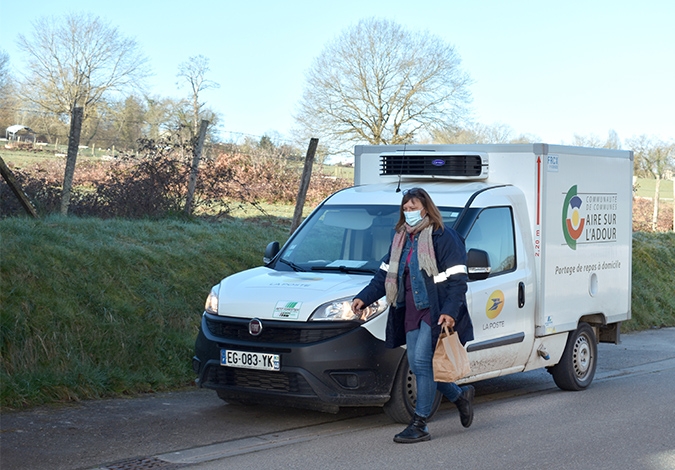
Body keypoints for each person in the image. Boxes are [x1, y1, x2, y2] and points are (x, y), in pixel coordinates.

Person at [352, 187, 475, 443]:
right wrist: (363, 297)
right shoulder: (400, 239)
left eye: (414, 208)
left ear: (426, 208)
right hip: (408, 310)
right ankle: (459, 396)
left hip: (435, 310)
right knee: (423, 366)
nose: (409, 213)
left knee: (421, 363)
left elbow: (458, 280)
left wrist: (450, 312)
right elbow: (384, 275)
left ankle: (420, 423)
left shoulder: (444, 237)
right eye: (405, 209)